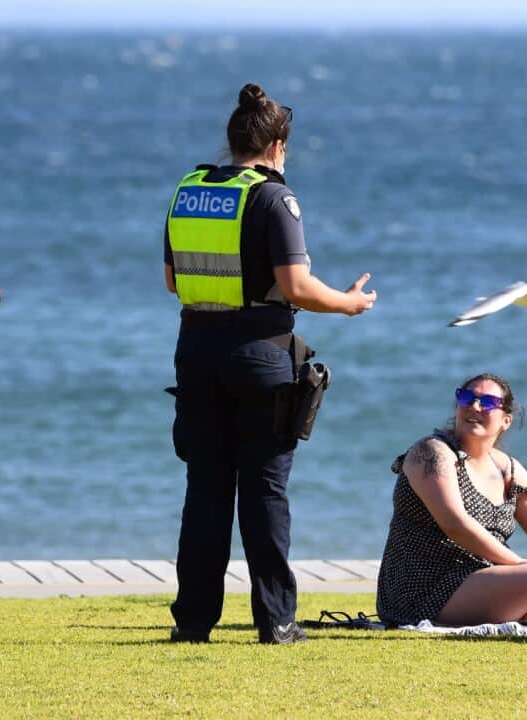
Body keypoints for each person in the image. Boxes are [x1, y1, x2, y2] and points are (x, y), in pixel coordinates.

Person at [165, 83, 376, 645]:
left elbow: (171, 280)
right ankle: (277, 620)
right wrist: (350, 303)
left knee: (205, 490)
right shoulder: (274, 198)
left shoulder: (189, 189)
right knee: (263, 492)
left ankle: (193, 621)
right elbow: (296, 286)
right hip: (259, 354)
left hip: (197, 351)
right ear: (278, 144)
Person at [376, 373, 527, 626]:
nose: (475, 406)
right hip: (424, 590)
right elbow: (455, 525)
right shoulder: (432, 453)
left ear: (506, 420)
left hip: (484, 577)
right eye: (467, 397)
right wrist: (520, 564)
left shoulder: (509, 469)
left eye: (488, 402)